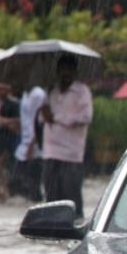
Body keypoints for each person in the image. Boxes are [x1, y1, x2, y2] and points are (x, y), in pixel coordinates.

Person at [39, 54, 94, 217]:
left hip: (71, 154)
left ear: (75, 71)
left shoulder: (82, 91)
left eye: (68, 69)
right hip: (50, 151)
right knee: (51, 199)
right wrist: (44, 113)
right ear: (57, 71)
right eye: (62, 69)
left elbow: (85, 117)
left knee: (72, 199)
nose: (65, 73)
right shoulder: (51, 91)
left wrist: (57, 118)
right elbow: (44, 118)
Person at [10, 82, 47, 201]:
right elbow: (26, 119)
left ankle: (37, 206)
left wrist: (33, 143)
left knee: (32, 183)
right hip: (24, 144)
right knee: (16, 182)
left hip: (34, 146)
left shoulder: (38, 95)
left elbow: (40, 121)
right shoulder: (25, 94)